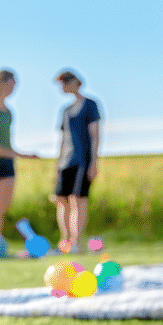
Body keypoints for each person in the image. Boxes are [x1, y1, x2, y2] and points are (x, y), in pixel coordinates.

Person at [0, 69, 38, 234]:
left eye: (15, 85)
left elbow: (7, 141)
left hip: (8, 161)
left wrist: (15, 155)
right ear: (1, 83)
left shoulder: (9, 112)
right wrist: (16, 154)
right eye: (10, 84)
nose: (13, 89)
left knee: (5, 203)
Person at [51, 68, 101, 254]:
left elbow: (95, 136)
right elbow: (63, 139)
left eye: (64, 82)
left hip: (82, 161)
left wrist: (93, 163)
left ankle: (76, 243)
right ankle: (65, 243)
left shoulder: (90, 105)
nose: (62, 87)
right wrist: (57, 164)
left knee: (78, 201)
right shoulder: (65, 110)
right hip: (66, 162)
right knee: (61, 200)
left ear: (73, 82)